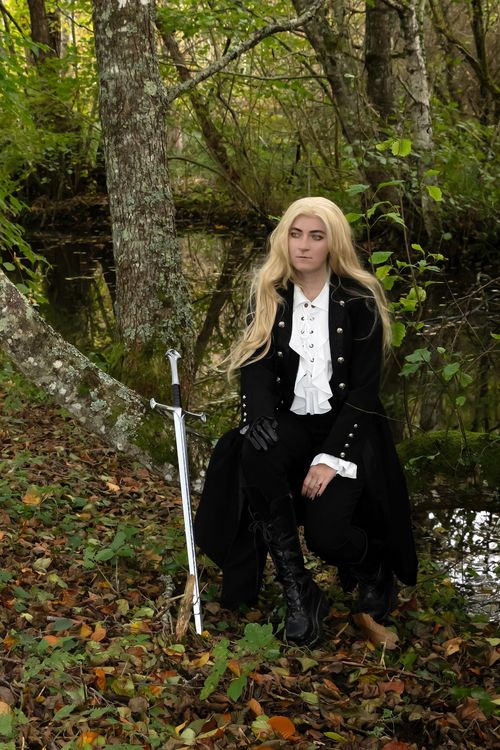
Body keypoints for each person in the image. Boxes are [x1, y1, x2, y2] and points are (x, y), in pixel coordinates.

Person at [194, 197, 418, 646]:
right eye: (296, 234)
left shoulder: (360, 299)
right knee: (253, 447)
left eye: (316, 236)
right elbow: (256, 365)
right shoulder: (269, 292)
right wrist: (257, 416)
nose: (303, 245)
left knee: (326, 537)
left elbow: (365, 392)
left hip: (347, 428)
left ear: (333, 243)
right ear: (284, 238)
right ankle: (299, 590)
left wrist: (331, 458)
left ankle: (373, 567)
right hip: (293, 421)